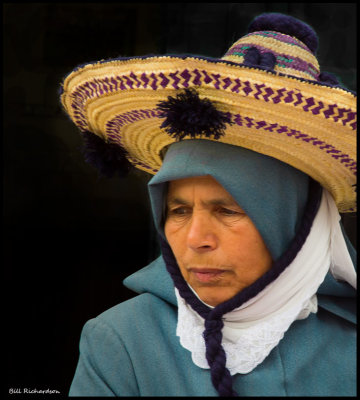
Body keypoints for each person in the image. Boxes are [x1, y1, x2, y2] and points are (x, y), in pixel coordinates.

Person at [60, 12, 356, 396]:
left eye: (227, 210)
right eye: (179, 211)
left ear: (298, 221)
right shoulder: (122, 342)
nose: (195, 239)